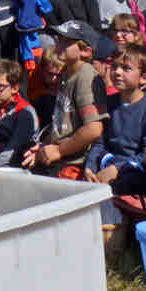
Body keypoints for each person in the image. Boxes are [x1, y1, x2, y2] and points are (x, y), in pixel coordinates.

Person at [23, 20, 108, 178]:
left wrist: (59, 150)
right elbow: (63, 124)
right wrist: (45, 145)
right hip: (60, 156)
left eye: (67, 42)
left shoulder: (86, 76)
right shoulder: (67, 73)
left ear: (86, 51)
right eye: (59, 40)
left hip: (73, 163)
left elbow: (94, 128)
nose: (59, 44)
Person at [84, 45, 146, 194]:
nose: (117, 72)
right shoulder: (109, 102)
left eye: (126, 68)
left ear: (144, 77)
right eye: (115, 66)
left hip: (138, 171)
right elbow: (99, 142)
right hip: (108, 163)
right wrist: (89, 167)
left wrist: (117, 169)